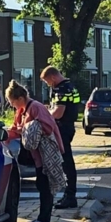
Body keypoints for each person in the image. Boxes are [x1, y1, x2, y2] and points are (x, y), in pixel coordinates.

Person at [6, 80, 64, 222]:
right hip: (37, 155)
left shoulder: (36, 108)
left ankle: (44, 219)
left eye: (12, 102)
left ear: (20, 98)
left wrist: (27, 129)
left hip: (45, 155)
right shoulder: (21, 110)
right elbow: (15, 129)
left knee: (45, 185)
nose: (12, 105)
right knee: (41, 184)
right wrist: (2, 137)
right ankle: (43, 217)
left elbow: (48, 127)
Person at [40, 65, 81, 209]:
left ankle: (70, 196)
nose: (48, 85)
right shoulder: (70, 86)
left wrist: (45, 114)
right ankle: (69, 194)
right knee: (66, 161)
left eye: (47, 82)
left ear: (52, 77)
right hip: (69, 126)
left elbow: (58, 113)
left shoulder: (61, 89)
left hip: (62, 128)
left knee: (66, 162)